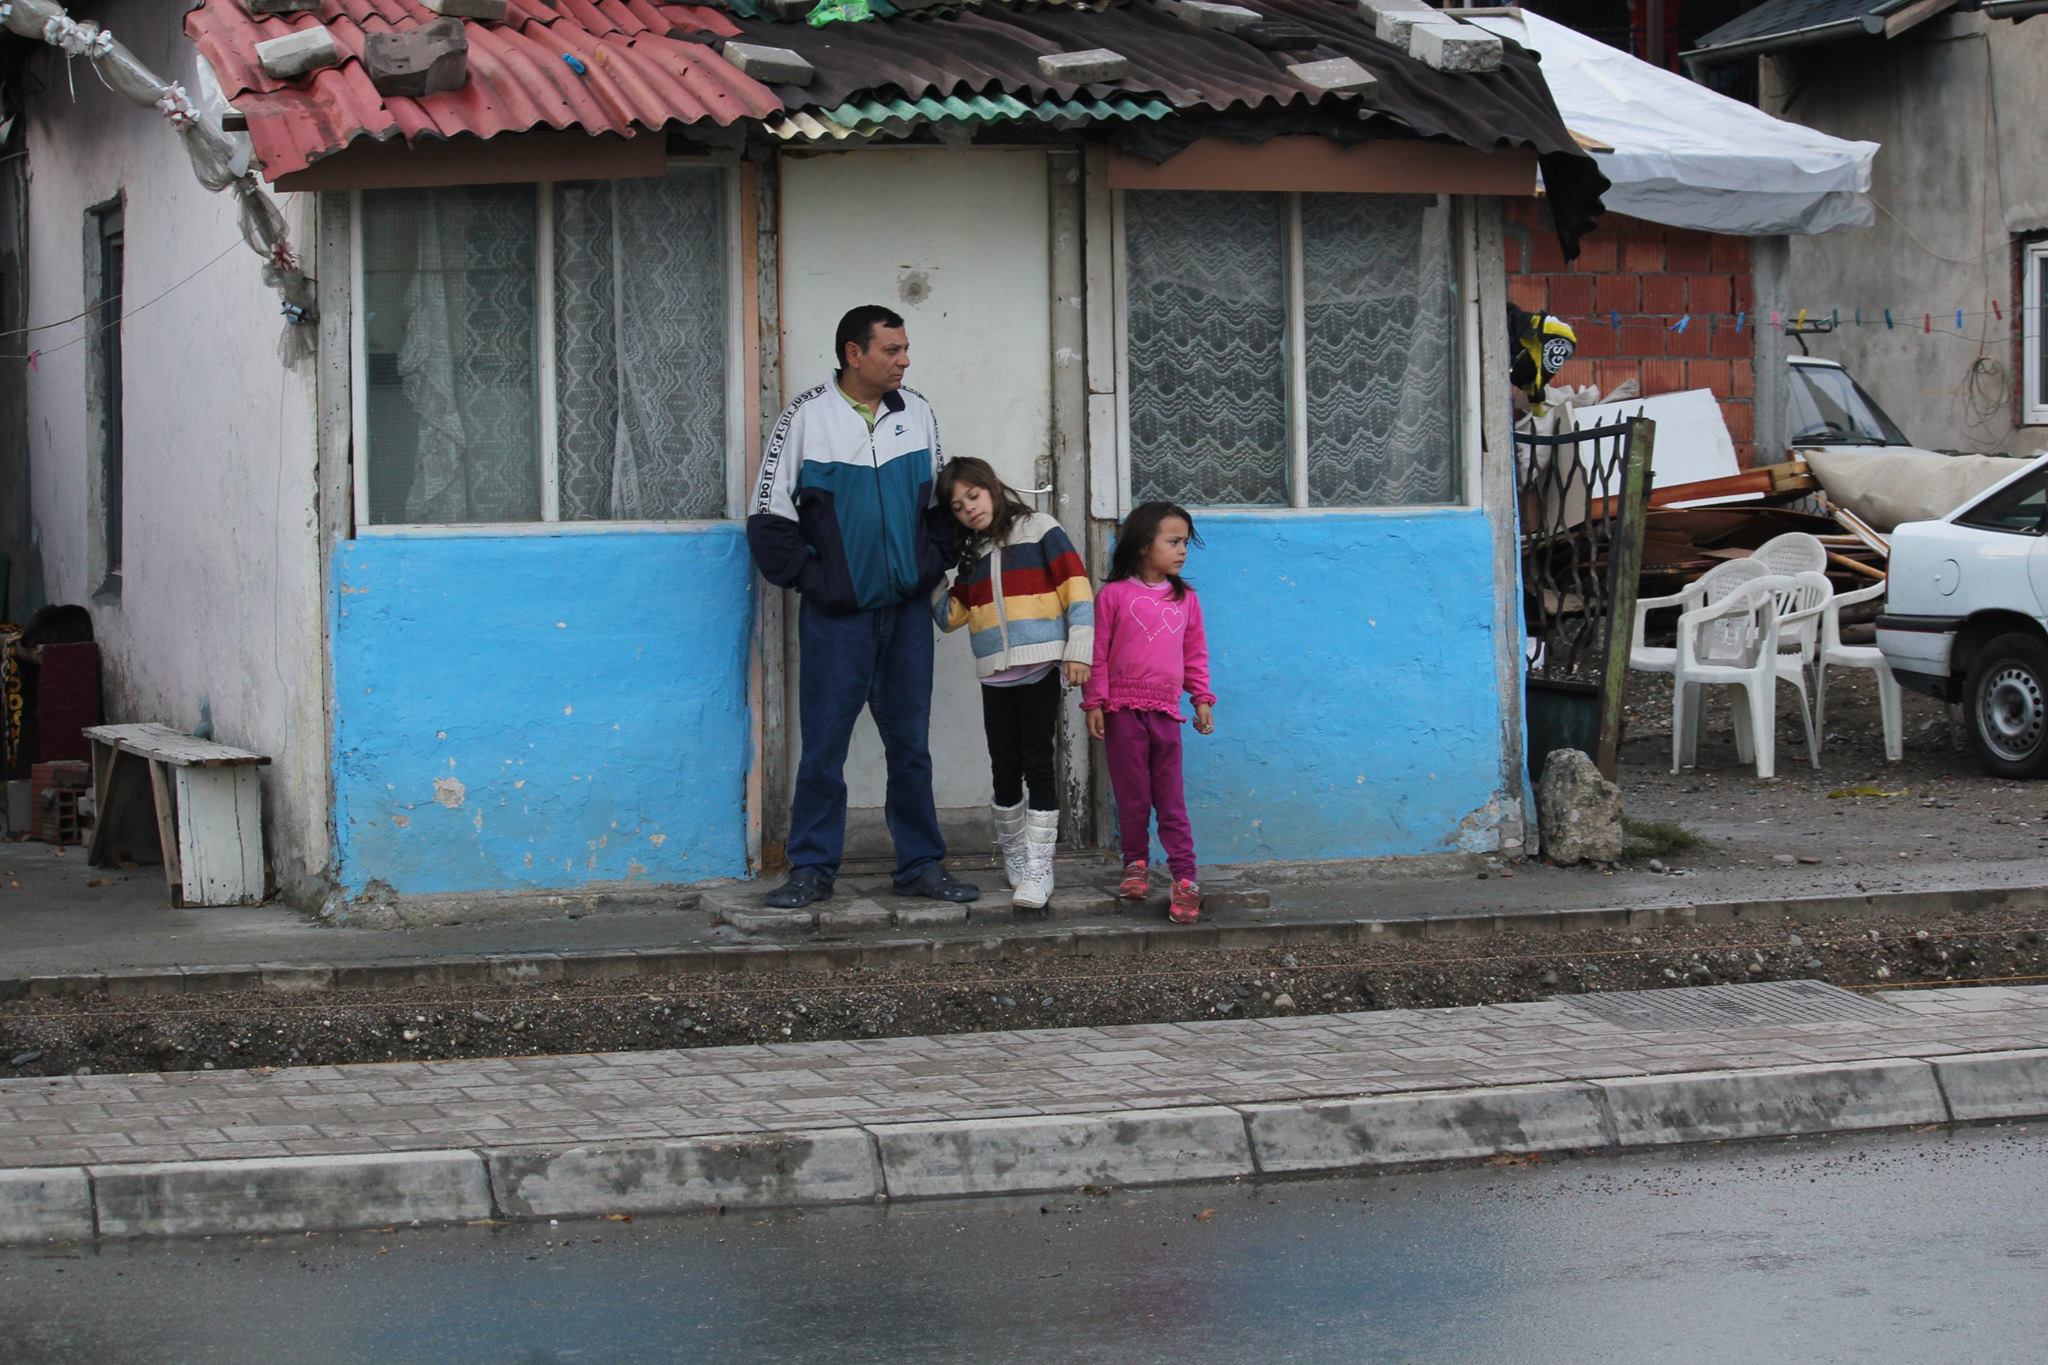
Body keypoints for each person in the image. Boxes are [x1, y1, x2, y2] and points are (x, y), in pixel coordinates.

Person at [746, 305, 979, 909]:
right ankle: (812, 869)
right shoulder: (805, 417)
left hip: (905, 615)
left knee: (911, 746)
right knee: (824, 746)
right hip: (837, 619)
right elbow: (769, 520)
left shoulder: (919, 413)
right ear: (855, 354)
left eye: (905, 350)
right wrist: (822, 584)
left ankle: (921, 865)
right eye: (892, 350)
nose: (904, 360)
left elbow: (939, 507)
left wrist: (930, 566)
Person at [933, 457, 1095, 910]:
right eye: (958, 506)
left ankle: (1041, 868)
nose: (969, 509)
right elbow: (950, 617)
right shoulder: (973, 555)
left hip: (1040, 667)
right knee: (1003, 767)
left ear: (993, 487)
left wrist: (1078, 649)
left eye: (974, 495)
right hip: (995, 676)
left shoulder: (1040, 528)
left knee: (1037, 763)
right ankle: (1016, 858)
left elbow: (1076, 587)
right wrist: (927, 573)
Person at [1080, 502, 1215, 923]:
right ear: (1142, 546)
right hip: (1122, 711)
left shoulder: (1186, 599)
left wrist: (1202, 699)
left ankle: (1184, 877)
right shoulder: (1114, 597)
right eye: (1173, 542)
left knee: (1170, 799)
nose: (1182, 551)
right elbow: (1097, 653)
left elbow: (1195, 653)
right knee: (1133, 794)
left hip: (1165, 714)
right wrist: (1095, 702)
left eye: (1185, 543)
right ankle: (1135, 863)